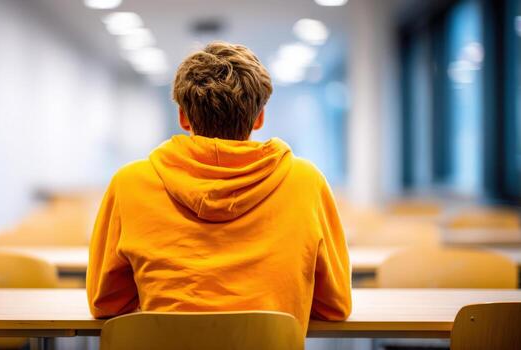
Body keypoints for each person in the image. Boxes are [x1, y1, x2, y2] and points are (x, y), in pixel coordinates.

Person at [86, 41, 351, 333]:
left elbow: (105, 303)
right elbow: (334, 305)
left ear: (183, 117)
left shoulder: (129, 183)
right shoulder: (306, 182)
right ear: (260, 117)